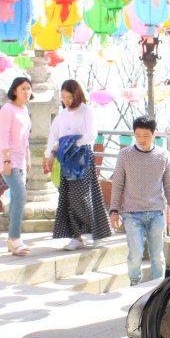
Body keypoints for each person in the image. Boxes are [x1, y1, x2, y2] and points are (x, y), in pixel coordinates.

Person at [43, 79, 112, 251]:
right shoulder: (62, 116)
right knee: (68, 198)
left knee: (81, 196)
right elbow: (53, 136)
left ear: (76, 94)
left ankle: (98, 232)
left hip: (82, 159)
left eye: (69, 97)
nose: (66, 101)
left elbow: (92, 134)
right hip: (66, 160)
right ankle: (76, 236)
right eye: (63, 97)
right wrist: (49, 154)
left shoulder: (86, 111)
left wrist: (72, 143)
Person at [109, 116, 170, 285]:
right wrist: (114, 210)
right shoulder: (125, 155)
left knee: (157, 255)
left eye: (146, 135)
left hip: (156, 211)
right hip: (131, 212)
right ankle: (134, 284)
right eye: (138, 135)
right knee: (135, 253)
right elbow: (117, 183)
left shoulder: (163, 155)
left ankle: (158, 287)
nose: (141, 139)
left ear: (153, 134)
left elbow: (169, 184)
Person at [0, 76, 32, 256]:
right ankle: (14, 238)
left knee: (16, 197)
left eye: (29, 88)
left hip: (21, 160)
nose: (27, 91)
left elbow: (25, 137)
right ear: (15, 90)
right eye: (23, 88)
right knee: (20, 196)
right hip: (8, 159)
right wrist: (7, 160)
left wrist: (28, 157)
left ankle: (12, 239)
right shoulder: (7, 109)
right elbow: (3, 136)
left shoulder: (25, 109)